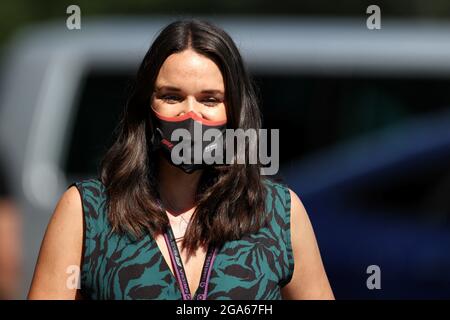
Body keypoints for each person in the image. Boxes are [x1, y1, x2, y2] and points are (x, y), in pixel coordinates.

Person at [28, 19, 334, 300]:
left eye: (209, 99)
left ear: (236, 110)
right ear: (147, 105)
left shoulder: (279, 214)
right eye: (172, 97)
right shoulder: (87, 212)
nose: (191, 115)